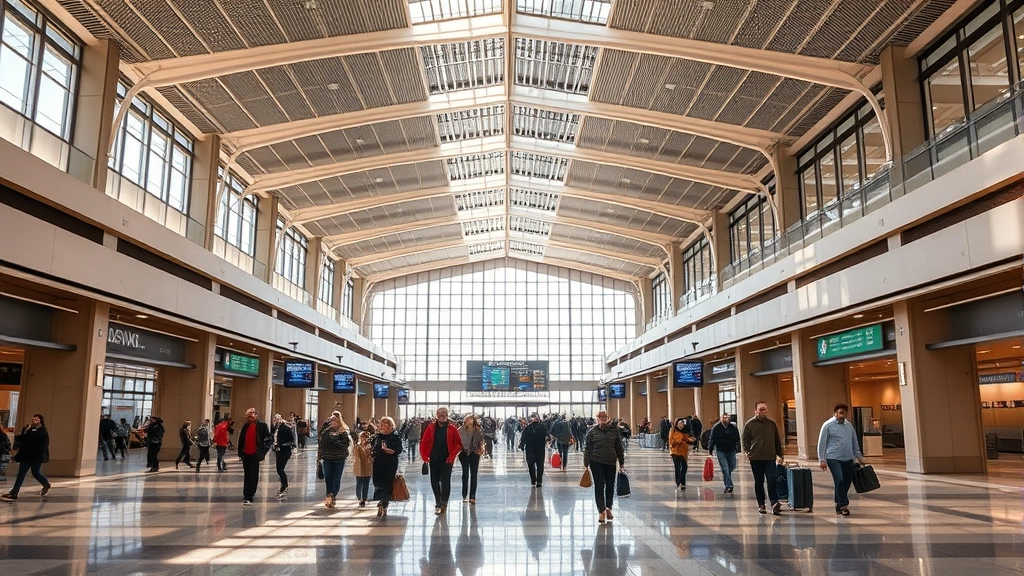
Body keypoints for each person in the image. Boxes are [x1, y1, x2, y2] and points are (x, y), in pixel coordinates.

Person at [817, 403, 866, 516]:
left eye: (844, 413)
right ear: (835, 413)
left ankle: (839, 503)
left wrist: (859, 457)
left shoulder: (849, 426)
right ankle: (844, 505)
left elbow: (854, 442)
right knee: (839, 480)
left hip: (848, 458)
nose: (843, 415)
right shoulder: (827, 425)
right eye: (840, 413)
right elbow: (822, 443)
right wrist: (822, 460)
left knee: (847, 481)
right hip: (833, 458)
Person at [741, 401, 785, 515]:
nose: (764, 411)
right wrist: (747, 451)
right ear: (756, 411)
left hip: (770, 457)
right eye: (761, 409)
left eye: (765, 409)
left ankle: (774, 502)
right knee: (759, 481)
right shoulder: (750, 424)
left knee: (772, 479)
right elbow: (745, 439)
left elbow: (776, 440)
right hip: (756, 458)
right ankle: (761, 504)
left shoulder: (772, 424)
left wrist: (780, 454)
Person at [583, 411, 625, 524]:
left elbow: (619, 447)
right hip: (596, 461)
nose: (602, 419)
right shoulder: (592, 432)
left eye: (604, 418)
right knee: (599, 486)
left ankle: (608, 508)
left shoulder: (614, 431)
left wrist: (621, 462)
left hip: (611, 462)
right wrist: (586, 463)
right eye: (600, 418)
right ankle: (601, 510)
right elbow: (587, 448)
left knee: (610, 485)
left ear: (607, 418)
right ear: (597, 419)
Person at [419, 407, 462, 515]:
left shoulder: (452, 428)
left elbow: (458, 444)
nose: (442, 415)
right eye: (440, 413)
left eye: (444, 413)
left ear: (447, 415)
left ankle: (444, 502)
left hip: (447, 460)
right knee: (434, 481)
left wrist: (452, 456)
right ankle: (437, 502)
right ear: (436, 415)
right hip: (434, 458)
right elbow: (424, 442)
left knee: (445, 481)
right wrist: (424, 456)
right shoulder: (431, 428)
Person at [1, 414, 50, 501]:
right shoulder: (28, 429)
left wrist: (28, 433)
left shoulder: (42, 431)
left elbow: (39, 442)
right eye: (33, 418)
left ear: (40, 421)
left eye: (37, 419)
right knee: (21, 474)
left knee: (36, 472)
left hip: (36, 456)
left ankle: (45, 483)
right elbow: (22, 439)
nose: (34, 420)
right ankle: (14, 492)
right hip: (26, 456)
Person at [237, 407, 272, 506]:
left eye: (251, 416)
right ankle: (246, 493)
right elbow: (241, 440)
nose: (249, 418)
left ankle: (250, 495)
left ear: (256, 415)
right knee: (247, 474)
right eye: (248, 417)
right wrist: (240, 454)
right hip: (246, 454)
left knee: (253, 474)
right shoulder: (245, 426)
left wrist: (262, 453)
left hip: (255, 454)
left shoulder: (262, 426)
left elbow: (268, 440)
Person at [317, 412, 351, 509]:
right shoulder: (325, 432)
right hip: (327, 458)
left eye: (335, 421)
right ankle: (329, 494)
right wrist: (319, 457)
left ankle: (333, 495)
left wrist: (335, 441)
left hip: (339, 458)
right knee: (328, 477)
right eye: (331, 421)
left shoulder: (343, 431)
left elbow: (345, 445)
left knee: (336, 478)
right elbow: (321, 445)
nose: (332, 423)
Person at [371, 416, 403, 517]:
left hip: (390, 462)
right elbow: (373, 448)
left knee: (388, 483)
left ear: (390, 425)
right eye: (382, 424)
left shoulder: (395, 436)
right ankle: (382, 501)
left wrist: (391, 451)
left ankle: (384, 503)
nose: (383, 426)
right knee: (379, 483)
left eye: (386, 424)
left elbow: (398, 449)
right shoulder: (377, 437)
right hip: (378, 462)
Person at [708, 412, 741, 494]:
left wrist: (737, 448)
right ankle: (729, 485)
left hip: (731, 450)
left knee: (732, 466)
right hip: (720, 450)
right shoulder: (716, 428)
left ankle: (727, 479)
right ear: (721, 418)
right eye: (724, 417)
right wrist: (710, 450)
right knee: (725, 467)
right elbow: (711, 439)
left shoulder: (732, 427)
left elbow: (737, 437)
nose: (726, 419)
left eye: (727, 417)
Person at [458, 414, 484, 504]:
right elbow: (456, 441)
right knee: (465, 474)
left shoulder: (478, 431)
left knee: (474, 474)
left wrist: (480, 448)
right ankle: (464, 495)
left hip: (474, 453)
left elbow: (481, 441)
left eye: (468, 420)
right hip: (463, 453)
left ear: (473, 421)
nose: (466, 421)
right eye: (465, 420)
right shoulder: (460, 430)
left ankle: (472, 496)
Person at [519, 413, 548, 488]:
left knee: (530, 464)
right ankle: (539, 481)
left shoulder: (527, 428)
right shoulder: (542, 427)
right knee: (540, 465)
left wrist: (522, 445)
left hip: (530, 449)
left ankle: (533, 480)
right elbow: (548, 436)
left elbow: (523, 438)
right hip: (540, 449)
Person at [667, 417, 694, 491]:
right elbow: (672, 442)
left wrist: (690, 439)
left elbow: (686, 438)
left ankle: (683, 482)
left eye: (682, 423)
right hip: (675, 452)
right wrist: (681, 438)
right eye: (680, 423)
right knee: (677, 467)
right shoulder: (672, 431)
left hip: (683, 452)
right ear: (676, 424)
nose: (682, 425)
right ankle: (679, 482)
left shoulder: (684, 432)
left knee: (684, 466)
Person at [272, 414, 295, 497]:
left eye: (277, 419)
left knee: (280, 468)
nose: (275, 421)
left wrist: (280, 445)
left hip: (284, 450)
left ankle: (284, 485)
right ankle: (283, 482)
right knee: (280, 468)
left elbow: (291, 440)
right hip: (279, 450)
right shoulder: (276, 428)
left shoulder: (286, 428)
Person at [352, 430, 373, 507]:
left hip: (367, 467)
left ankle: (363, 499)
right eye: (363, 437)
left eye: (366, 437)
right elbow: (355, 455)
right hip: (360, 467)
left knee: (366, 484)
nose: (364, 438)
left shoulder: (370, 446)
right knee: (359, 483)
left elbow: (371, 456)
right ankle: (359, 497)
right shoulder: (357, 446)